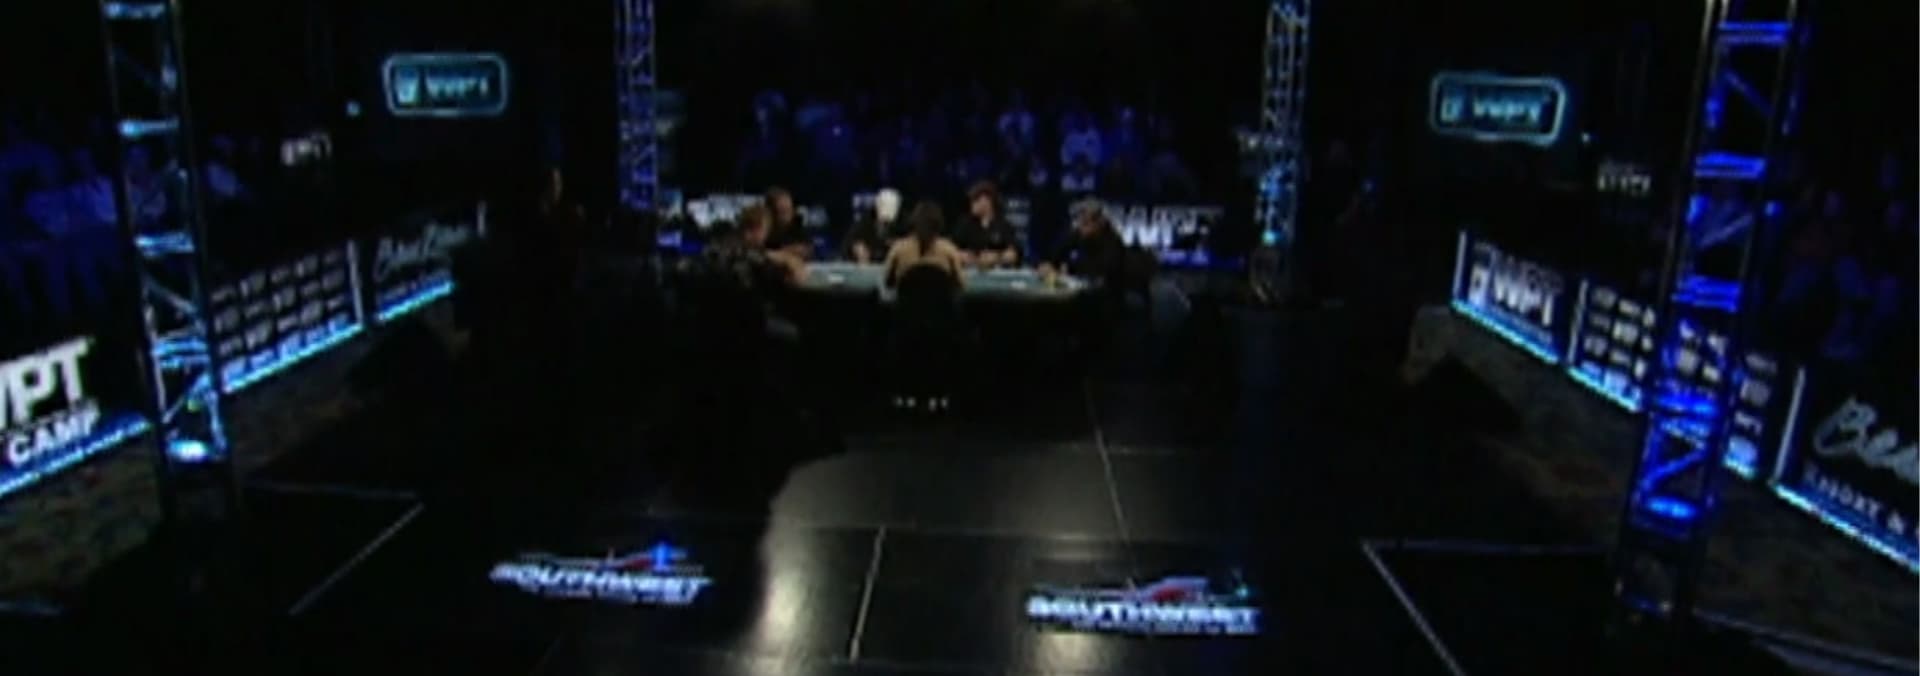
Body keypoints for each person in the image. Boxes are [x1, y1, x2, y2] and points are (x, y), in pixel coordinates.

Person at [882, 201, 965, 288]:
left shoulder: (898, 248)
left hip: (909, 296)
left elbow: (888, 282)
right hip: (939, 296)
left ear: (914, 222)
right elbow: (960, 285)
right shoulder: (949, 249)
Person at [1043, 199, 1126, 283]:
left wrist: (1069, 269)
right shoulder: (1078, 234)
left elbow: (1098, 274)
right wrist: (1049, 265)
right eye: (1079, 222)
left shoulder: (1112, 243)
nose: (1081, 228)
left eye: (1085, 223)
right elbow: (1056, 255)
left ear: (1100, 223)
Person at [953, 181, 1019, 267]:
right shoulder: (964, 224)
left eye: (975, 200)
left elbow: (1013, 255)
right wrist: (962, 255)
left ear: (987, 202)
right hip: (970, 269)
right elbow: (951, 248)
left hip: (997, 270)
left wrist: (997, 257)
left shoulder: (1004, 226)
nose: (971, 204)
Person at [844, 188, 905, 263]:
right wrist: (856, 247)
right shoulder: (865, 221)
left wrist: (900, 245)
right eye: (883, 219)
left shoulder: (903, 223)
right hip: (869, 264)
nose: (885, 223)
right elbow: (849, 242)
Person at [763, 186, 814, 260]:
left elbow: (808, 249)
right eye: (782, 211)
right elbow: (761, 253)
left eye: (789, 209)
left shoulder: (797, 225)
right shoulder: (763, 229)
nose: (787, 215)